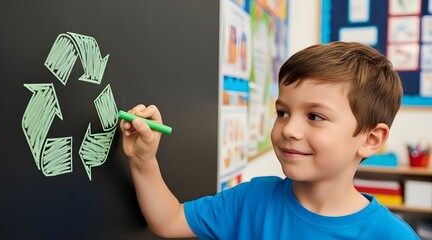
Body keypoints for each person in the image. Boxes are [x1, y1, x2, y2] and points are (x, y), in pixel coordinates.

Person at [120, 41, 420, 239]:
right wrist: (143, 160)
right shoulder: (251, 199)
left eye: (315, 116)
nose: (289, 129)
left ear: (370, 139)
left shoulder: (391, 235)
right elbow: (170, 221)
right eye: (282, 112)